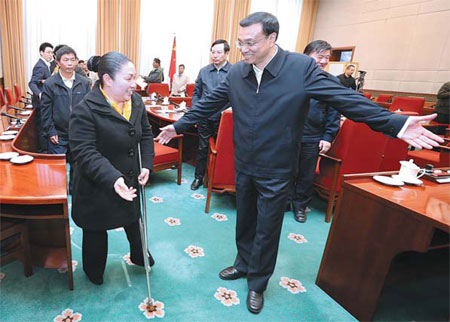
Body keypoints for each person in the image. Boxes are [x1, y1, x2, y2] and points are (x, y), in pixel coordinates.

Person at [155, 12, 443, 314]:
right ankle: (242, 263)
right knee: (245, 219)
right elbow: (210, 102)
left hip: (278, 167)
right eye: (241, 43)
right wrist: (179, 125)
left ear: (272, 38)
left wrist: (395, 123)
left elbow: (345, 99)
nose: (245, 49)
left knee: (268, 226)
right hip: (245, 161)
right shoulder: (238, 72)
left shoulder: (300, 68)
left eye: (251, 42)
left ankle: (258, 282)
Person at [69, 52, 155, 285]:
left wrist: (146, 164)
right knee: (96, 229)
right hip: (97, 181)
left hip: (129, 177)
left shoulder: (135, 101)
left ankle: (139, 255)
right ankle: (94, 271)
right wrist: (113, 179)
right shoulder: (85, 109)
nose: (134, 84)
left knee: (133, 220)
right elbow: (85, 152)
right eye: (128, 78)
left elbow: (146, 134)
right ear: (107, 79)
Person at [290, 40, 340, 223]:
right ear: (306, 56)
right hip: (288, 134)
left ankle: (300, 205)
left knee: (306, 173)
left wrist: (328, 136)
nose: (324, 61)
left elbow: (334, 112)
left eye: (327, 57)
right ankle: (283, 201)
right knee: (284, 170)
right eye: (320, 56)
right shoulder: (292, 77)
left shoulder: (330, 82)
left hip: (312, 135)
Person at [190, 39, 232, 190]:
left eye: (219, 52)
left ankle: (216, 180)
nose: (215, 55)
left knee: (221, 150)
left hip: (223, 119)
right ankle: (198, 177)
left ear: (227, 53)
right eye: (213, 52)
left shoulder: (234, 72)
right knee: (202, 148)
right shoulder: (204, 71)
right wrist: (196, 111)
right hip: (204, 118)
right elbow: (196, 93)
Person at [41, 46, 91, 155]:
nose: (70, 63)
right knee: (58, 170)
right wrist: (50, 131)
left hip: (79, 134)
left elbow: (89, 109)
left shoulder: (84, 82)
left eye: (73, 60)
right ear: (57, 62)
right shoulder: (50, 84)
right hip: (58, 135)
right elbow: (46, 111)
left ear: (76, 62)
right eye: (66, 60)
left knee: (80, 168)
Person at [28, 42, 54, 153]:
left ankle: (44, 148)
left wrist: (43, 81)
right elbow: (32, 83)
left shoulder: (46, 65)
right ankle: (43, 150)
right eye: (48, 52)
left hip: (44, 101)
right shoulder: (40, 65)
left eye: (52, 52)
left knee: (44, 125)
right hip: (40, 102)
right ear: (41, 53)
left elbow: (40, 80)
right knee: (42, 126)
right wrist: (39, 94)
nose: (51, 54)